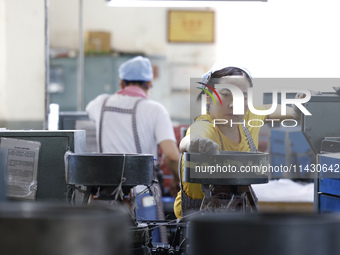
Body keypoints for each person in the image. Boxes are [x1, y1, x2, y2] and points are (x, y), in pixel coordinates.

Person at [174, 65, 295, 219]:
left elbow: (271, 110)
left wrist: (297, 111)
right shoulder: (206, 126)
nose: (234, 104)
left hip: (237, 215)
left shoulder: (248, 118)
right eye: (225, 95)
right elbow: (190, 139)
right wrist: (195, 144)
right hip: (197, 221)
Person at [86, 56, 180, 241]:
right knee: (148, 243)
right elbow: (172, 157)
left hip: (106, 194)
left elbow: (89, 112)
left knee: (107, 243)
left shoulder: (99, 103)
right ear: (149, 84)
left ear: (121, 82)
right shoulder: (155, 109)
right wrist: (178, 182)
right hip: (142, 194)